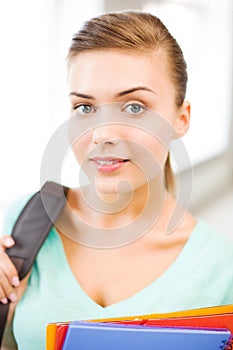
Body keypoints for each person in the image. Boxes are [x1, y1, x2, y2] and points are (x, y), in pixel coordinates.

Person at [1, 10, 233, 350]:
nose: (102, 134)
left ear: (181, 118)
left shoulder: (222, 268)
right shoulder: (23, 223)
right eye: (84, 107)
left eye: (134, 107)